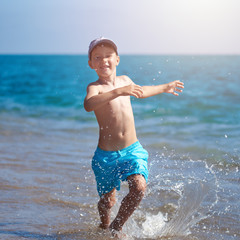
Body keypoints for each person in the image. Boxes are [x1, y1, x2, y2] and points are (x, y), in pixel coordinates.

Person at [84, 37, 184, 237]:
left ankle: (116, 227)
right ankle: (103, 228)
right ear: (91, 64)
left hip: (132, 150)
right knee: (107, 201)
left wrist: (164, 87)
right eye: (98, 57)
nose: (104, 60)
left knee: (138, 187)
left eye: (108, 56)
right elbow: (89, 104)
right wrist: (118, 91)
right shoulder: (95, 87)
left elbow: (142, 91)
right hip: (106, 156)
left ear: (117, 59)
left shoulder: (126, 81)